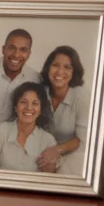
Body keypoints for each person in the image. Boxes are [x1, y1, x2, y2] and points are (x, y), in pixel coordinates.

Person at [0, 81, 58, 173]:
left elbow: (46, 181)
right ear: (15, 107)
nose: (29, 107)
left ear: (41, 109)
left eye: (35, 103)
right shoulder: (0, 131)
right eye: (23, 102)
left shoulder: (48, 141)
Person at [35, 45, 90, 175]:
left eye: (67, 67)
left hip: (73, 153)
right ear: (48, 68)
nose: (60, 71)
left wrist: (57, 150)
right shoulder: (40, 91)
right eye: (55, 65)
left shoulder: (81, 96)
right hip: (43, 149)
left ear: (74, 72)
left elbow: (82, 138)